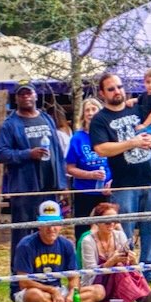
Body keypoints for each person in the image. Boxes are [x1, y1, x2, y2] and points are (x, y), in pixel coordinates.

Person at [87, 72, 151, 282]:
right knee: (123, 228)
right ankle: (128, 270)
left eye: (119, 87)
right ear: (102, 93)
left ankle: (150, 270)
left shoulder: (137, 108)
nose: (117, 91)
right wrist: (133, 142)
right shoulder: (100, 119)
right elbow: (101, 149)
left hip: (150, 177)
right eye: (111, 89)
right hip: (124, 183)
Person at [0, 84, 66, 246]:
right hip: (25, 189)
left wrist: (61, 183)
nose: (26, 97)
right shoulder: (10, 124)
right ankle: (20, 269)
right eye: (22, 94)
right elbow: (1, 154)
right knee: (23, 234)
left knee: (48, 230)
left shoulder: (46, 118)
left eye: (29, 93)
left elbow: (57, 150)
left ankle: (44, 268)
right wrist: (28, 153)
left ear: (35, 96)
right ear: (16, 99)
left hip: (49, 186)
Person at [10, 199, 102, 302]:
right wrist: (52, 290)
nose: (51, 228)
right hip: (35, 291)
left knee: (99, 291)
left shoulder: (66, 244)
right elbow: (23, 282)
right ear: (39, 225)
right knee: (33, 295)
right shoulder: (26, 245)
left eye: (55, 224)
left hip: (58, 291)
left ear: (60, 225)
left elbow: (74, 277)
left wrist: (72, 293)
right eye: (46, 224)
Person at [77, 201, 151, 302]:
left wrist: (133, 261)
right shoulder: (88, 241)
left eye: (115, 221)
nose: (111, 224)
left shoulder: (119, 235)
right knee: (119, 266)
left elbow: (130, 263)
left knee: (125, 266)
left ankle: (145, 298)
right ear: (97, 221)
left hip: (118, 277)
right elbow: (90, 272)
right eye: (107, 221)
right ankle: (141, 300)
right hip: (97, 281)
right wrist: (110, 262)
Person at [65, 97, 110, 243]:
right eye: (87, 110)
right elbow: (70, 168)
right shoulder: (77, 138)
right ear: (83, 115)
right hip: (84, 192)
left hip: (106, 191)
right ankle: (82, 260)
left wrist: (113, 181)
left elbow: (119, 161)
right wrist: (89, 175)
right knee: (83, 229)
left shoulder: (108, 134)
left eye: (94, 109)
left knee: (107, 228)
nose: (90, 113)